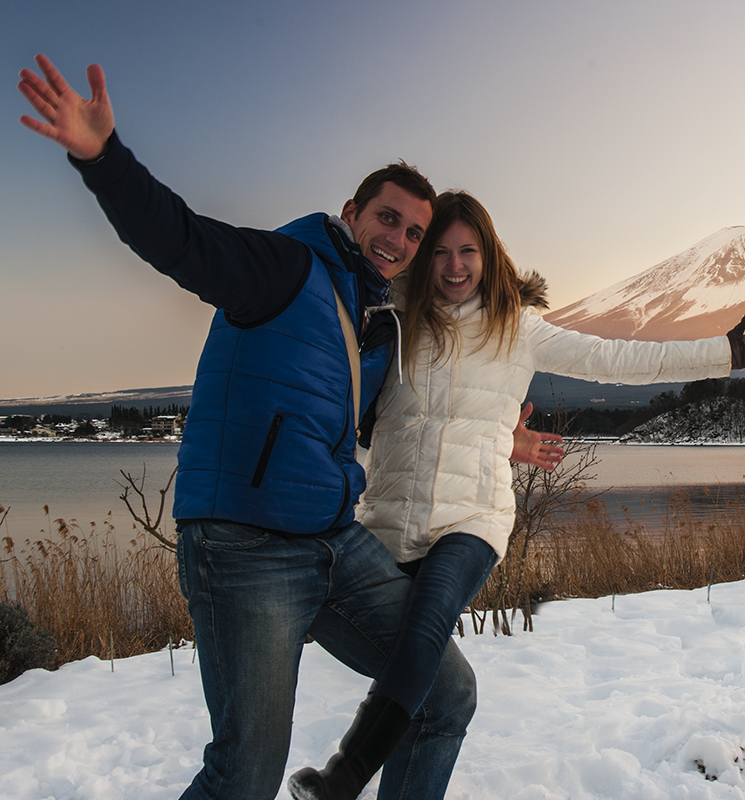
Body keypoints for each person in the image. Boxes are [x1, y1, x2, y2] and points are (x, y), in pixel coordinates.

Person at [16, 55, 562, 800]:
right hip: (245, 548)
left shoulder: (379, 322)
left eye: (415, 232)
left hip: (332, 541)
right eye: (388, 219)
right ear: (352, 212)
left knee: (445, 695)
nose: (399, 239)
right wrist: (104, 159)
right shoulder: (284, 267)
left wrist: (504, 438)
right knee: (245, 775)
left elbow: (400, 425)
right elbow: (182, 240)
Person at [288, 190, 745, 800]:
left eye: (468, 251)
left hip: (473, 519)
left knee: (427, 622)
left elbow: (614, 359)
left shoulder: (518, 327)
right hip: (386, 520)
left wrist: (719, 352)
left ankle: (343, 777)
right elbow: (357, 399)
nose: (455, 266)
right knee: (430, 685)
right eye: (440, 252)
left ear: (490, 255)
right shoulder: (396, 313)